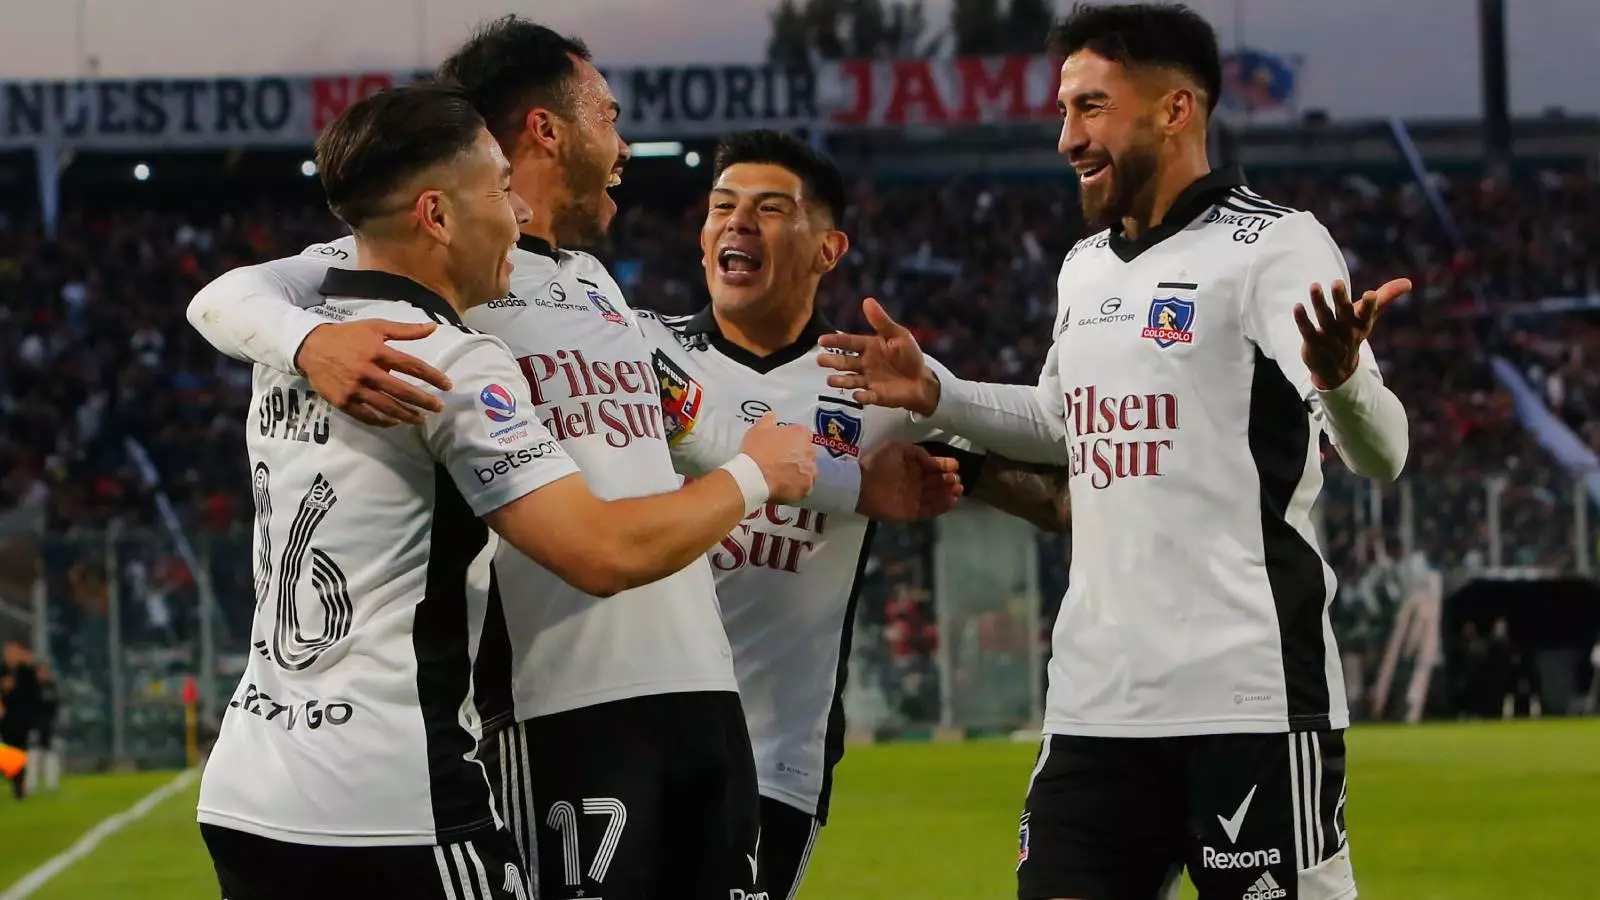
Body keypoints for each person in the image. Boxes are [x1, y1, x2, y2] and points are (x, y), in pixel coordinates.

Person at [186, 18, 957, 899]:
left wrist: (857, 484)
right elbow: (227, 294)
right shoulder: (432, 276)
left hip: (700, 694)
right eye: (610, 116)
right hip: (557, 706)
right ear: (548, 129)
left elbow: (697, 430)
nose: (624, 146)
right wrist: (305, 344)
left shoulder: (595, 284)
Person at [817, 5, 1411, 900]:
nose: (1067, 138)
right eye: (1063, 112)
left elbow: (1384, 453)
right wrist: (939, 391)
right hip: (1096, 707)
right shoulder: (1086, 266)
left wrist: (1339, 380)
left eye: (1090, 108)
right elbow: (1062, 423)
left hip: (1245, 700)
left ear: (1176, 109)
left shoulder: (1274, 246)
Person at [633, 129, 1074, 898]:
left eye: (770, 210)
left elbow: (1059, 498)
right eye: (722, 207)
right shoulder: (643, 356)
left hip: (771, 761)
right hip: (625, 732)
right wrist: (848, 482)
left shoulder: (876, 391)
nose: (737, 223)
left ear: (827, 249)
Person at [0, 640, 39, 800]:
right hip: (4, 717)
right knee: (7, 750)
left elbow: (33, 695)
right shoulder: (2, 670)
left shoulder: (27, 672)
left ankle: (19, 786)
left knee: (19, 751)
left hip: (21, 718)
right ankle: (15, 780)